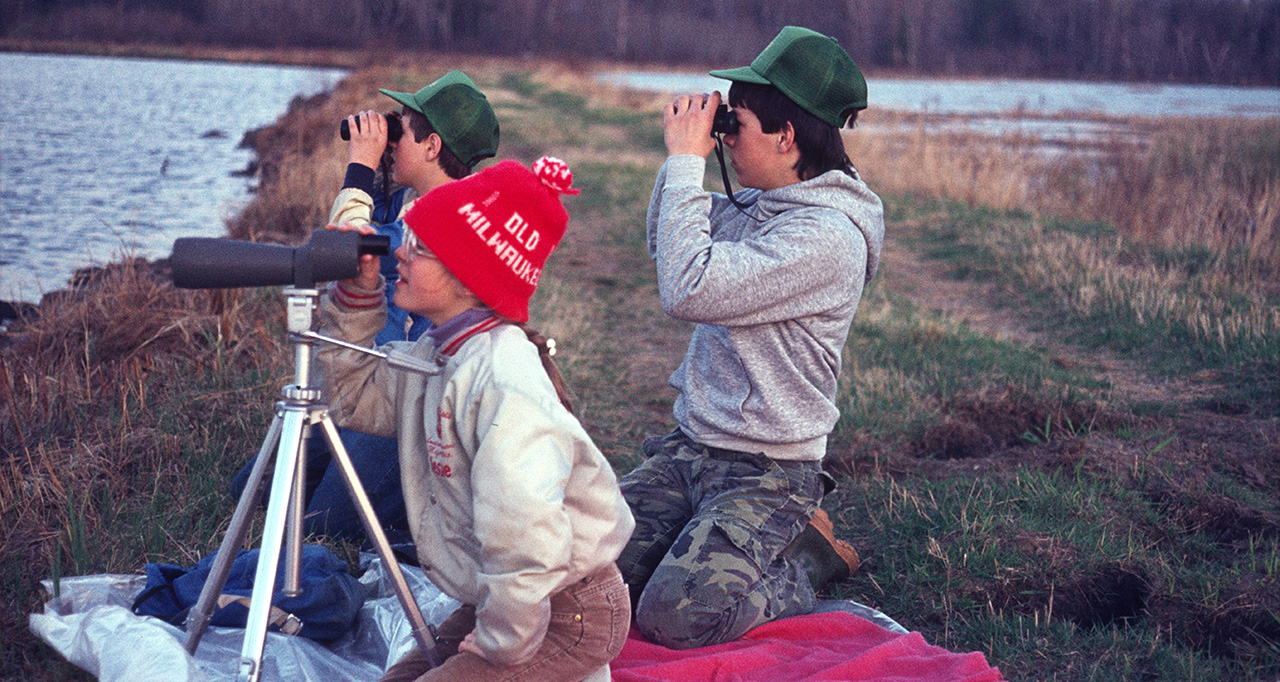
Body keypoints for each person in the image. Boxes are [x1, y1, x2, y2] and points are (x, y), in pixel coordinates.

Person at [615, 26, 885, 650]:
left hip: (767, 473)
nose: (728, 138)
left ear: (786, 136)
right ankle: (697, 550)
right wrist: (685, 160)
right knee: (585, 579)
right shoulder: (765, 203)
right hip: (690, 450)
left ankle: (808, 559)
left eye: (737, 125)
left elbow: (687, 289)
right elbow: (666, 239)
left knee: (676, 617)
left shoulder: (827, 238)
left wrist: (689, 162)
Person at [319, 156, 634, 682]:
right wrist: (356, 299)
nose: (400, 252)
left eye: (420, 247)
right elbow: (353, 397)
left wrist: (500, 644)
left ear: (470, 277)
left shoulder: (505, 381)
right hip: (507, 595)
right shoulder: (438, 354)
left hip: (564, 610)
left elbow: (529, 539)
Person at [230, 70, 500, 544]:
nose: (391, 138)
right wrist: (378, 173)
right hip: (376, 382)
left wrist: (359, 165)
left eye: (402, 128)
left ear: (432, 146)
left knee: (322, 529)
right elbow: (370, 225)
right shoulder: (413, 202)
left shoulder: (455, 222)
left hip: (416, 412)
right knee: (251, 491)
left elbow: (348, 250)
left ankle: (421, 510)